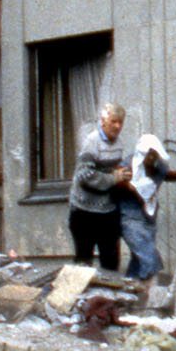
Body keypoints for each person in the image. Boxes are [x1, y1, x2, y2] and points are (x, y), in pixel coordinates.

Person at [119, 133, 176, 282]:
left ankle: (130, 291)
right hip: (129, 217)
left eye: (155, 156)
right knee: (149, 257)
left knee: (138, 259)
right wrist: (127, 185)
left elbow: (165, 174)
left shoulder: (157, 165)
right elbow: (115, 182)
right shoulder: (127, 166)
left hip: (148, 216)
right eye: (149, 156)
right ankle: (147, 291)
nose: (152, 159)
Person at [68, 102, 131, 271]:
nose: (118, 126)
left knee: (111, 263)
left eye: (121, 122)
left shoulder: (119, 143)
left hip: (108, 211)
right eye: (113, 121)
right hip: (84, 211)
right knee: (83, 264)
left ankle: (108, 298)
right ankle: (83, 298)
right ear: (103, 121)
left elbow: (115, 173)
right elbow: (85, 175)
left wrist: (124, 175)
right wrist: (113, 178)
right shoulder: (92, 142)